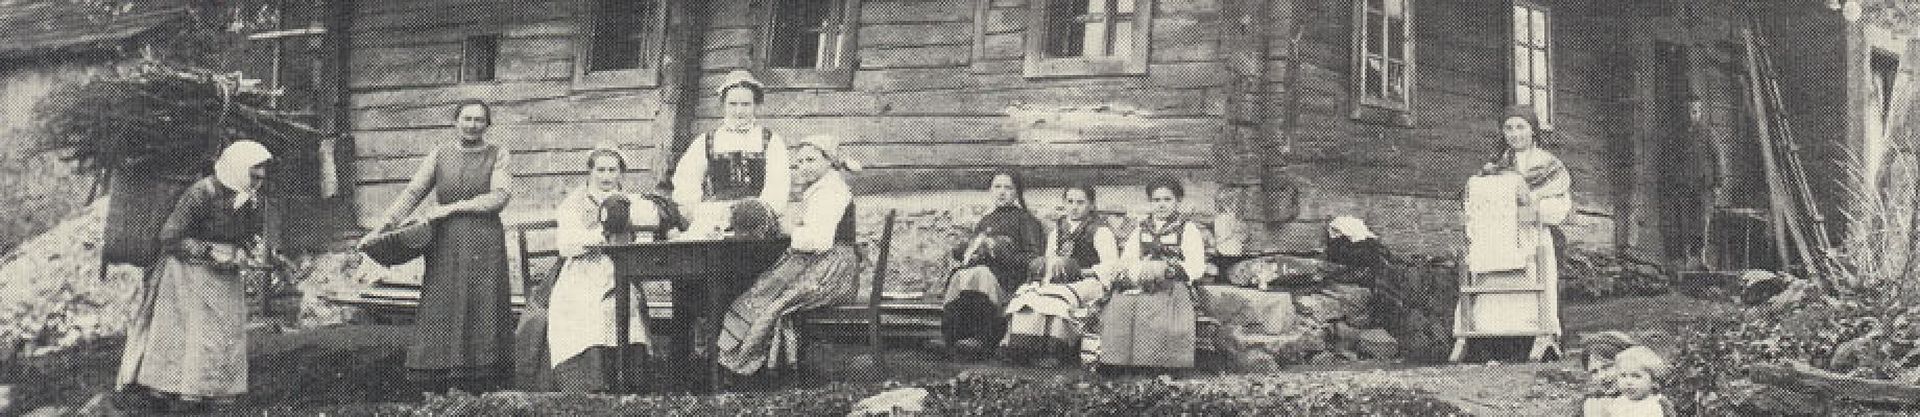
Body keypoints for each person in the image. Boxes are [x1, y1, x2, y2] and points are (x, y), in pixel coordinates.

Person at [359, 100, 516, 393]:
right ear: (455, 121)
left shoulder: (498, 154)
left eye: (479, 120)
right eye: (467, 119)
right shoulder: (440, 154)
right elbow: (413, 192)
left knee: (482, 302)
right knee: (443, 302)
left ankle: (483, 376)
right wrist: (382, 227)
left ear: (487, 124)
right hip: (446, 242)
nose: (472, 125)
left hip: (484, 242)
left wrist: (451, 208)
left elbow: (499, 197)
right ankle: (439, 374)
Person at [116, 140, 273, 412]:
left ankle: (217, 391)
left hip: (226, 276)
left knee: (224, 335)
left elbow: (249, 234)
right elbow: (170, 236)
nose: (257, 182)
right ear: (238, 170)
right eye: (253, 176)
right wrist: (209, 251)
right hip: (189, 273)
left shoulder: (251, 199)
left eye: (261, 177)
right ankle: (180, 396)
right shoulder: (202, 193)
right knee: (194, 334)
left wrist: (247, 251)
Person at [714, 134, 863, 377]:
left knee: (773, 300)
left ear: (829, 162)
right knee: (764, 289)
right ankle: (758, 364)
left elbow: (819, 240)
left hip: (834, 271)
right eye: (800, 162)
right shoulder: (819, 189)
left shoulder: (831, 191)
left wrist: (790, 230)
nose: (804, 166)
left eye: (811, 160)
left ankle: (750, 368)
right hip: (824, 262)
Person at [544, 145, 667, 392]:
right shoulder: (575, 203)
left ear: (621, 173)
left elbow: (649, 227)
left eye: (612, 170)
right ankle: (590, 381)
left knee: (627, 306)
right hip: (582, 268)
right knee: (585, 308)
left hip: (619, 267)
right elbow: (566, 245)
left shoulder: (629, 201)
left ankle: (627, 380)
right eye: (600, 170)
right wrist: (601, 234)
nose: (606, 176)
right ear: (590, 172)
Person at [1479, 104, 1573, 343]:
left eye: (1521, 127)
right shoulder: (1496, 165)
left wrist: (1533, 209)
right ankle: (1503, 338)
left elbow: (1561, 206)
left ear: (1533, 130)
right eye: (1508, 128)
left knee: (1537, 281)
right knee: (1502, 283)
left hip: (1535, 235)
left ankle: (1540, 335)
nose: (1515, 134)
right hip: (1501, 238)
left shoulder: (1549, 165)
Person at [1000, 185, 1119, 367]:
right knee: (1029, 292)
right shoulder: (1058, 230)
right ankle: (1022, 348)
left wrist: (1078, 270)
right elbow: (1050, 259)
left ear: (1091, 205)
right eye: (1070, 202)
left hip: (1089, 281)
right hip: (1060, 280)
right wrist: (1047, 268)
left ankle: (1054, 350)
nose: (1074, 207)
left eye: (1080, 202)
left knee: (1059, 296)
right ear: (1064, 203)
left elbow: (1111, 266)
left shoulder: (1100, 231)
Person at [1096, 178, 1209, 369]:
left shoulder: (1187, 229)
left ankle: (1153, 364)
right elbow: (1128, 258)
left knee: (1151, 305)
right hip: (1142, 281)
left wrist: (1165, 269)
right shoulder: (1142, 228)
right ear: (1150, 202)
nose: (1161, 204)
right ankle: (1117, 363)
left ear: (1177, 201)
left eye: (1167, 199)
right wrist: (1134, 270)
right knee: (1120, 302)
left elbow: (1196, 265)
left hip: (1173, 284)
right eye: (1156, 200)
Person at [938, 170, 1046, 358]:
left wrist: (1000, 251)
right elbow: (974, 254)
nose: (1002, 192)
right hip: (982, 276)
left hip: (1009, 281)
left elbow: (1034, 259)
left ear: (1017, 192)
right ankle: (952, 335)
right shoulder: (986, 220)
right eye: (997, 187)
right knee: (961, 275)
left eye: (1008, 187)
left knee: (980, 274)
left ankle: (981, 337)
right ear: (991, 190)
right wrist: (970, 250)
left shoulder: (1026, 221)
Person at [670, 69, 791, 237]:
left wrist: (760, 214)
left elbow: (778, 186)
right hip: (716, 216)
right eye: (733, 104)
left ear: (755, 105)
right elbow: (686, 181)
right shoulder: (707, 140)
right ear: (723, 105)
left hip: (758, 221)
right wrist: (698, 212)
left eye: (746, 104)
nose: (739, 111)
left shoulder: (771, 141)